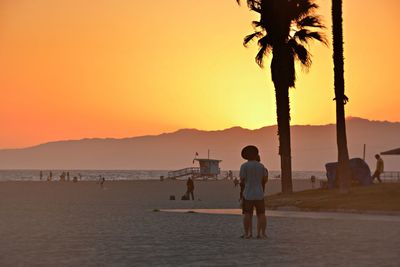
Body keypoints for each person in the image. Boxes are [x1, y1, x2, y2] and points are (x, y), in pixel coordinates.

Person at [240, 145, 268, 239]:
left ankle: (247, 233)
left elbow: (242, 179)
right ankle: (262, 233)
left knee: (247, 213)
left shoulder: (244, 166)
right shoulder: (261, 166)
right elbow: (265, 179)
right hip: (259, 193)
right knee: (261, 214)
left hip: (248, 193)